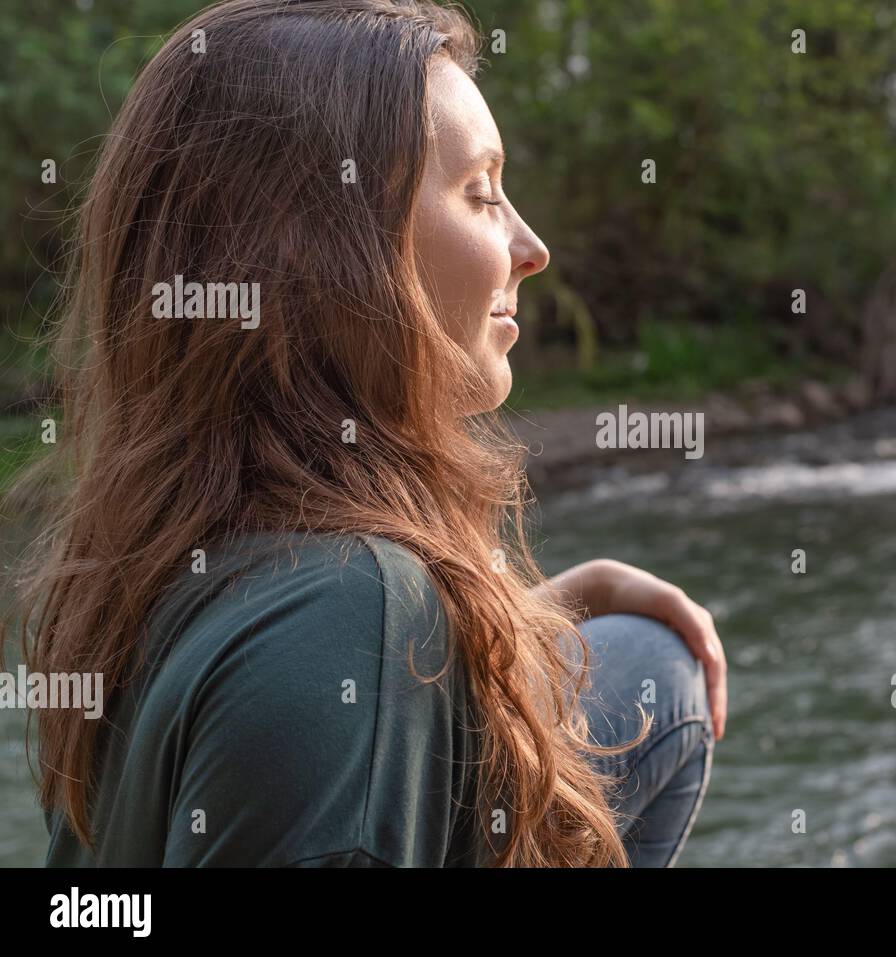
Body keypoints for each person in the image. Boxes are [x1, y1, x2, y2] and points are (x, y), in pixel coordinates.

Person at [7, 0, 727, 868]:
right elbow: (315, 681)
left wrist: (524, 622)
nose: (531, 248)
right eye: (480, 193)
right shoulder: (358, 611)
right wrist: (398, 634)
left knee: (649, 665)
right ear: (327, 248)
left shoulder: (160, 552)